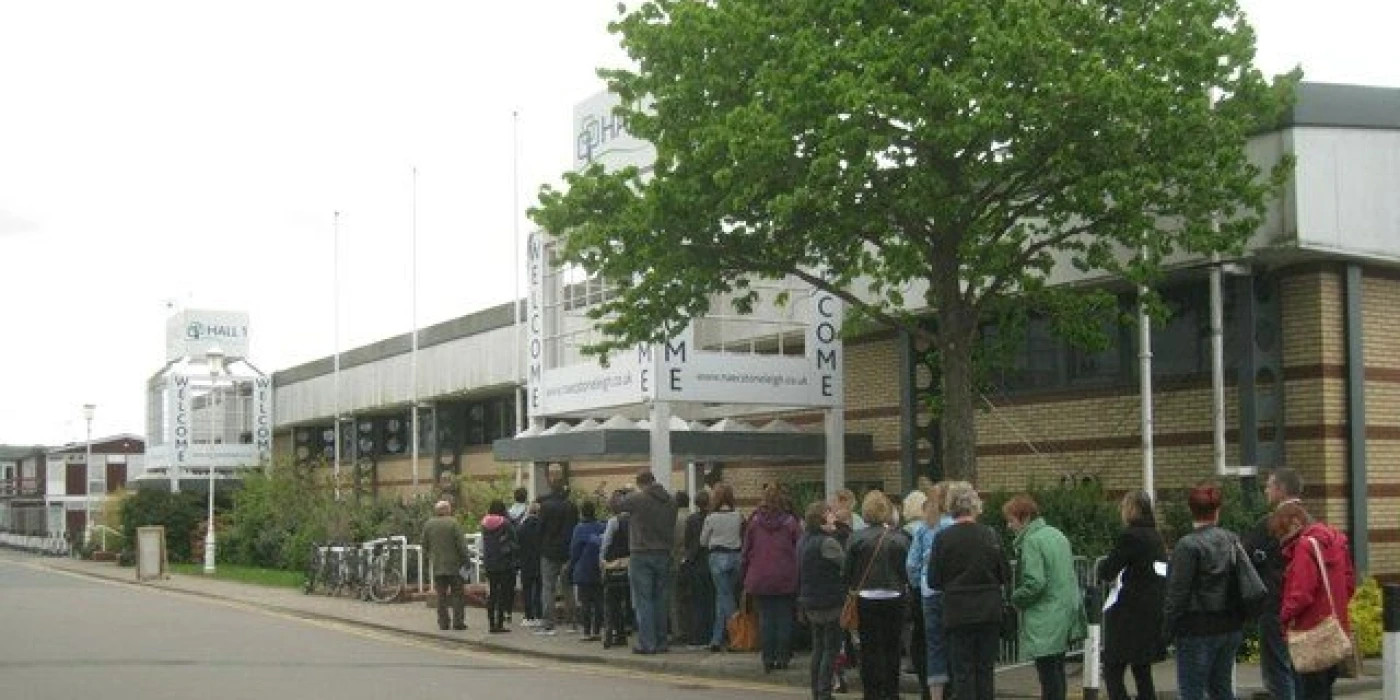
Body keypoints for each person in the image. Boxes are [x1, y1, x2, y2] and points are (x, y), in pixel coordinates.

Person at [1163, 481, 1250, 700]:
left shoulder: (1187, 545)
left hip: (1197, 627)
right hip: (1229, 624)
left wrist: (1166, 630)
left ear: (1191, 510)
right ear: (1217, 511)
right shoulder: (1231, 539)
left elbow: (1177, 593)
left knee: (1191, 690)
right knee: (1222, 688)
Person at [930, 481, 1010, 700]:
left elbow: (934, 580)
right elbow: (1005, 575)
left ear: (950, 507)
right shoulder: (990, 535)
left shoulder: (942, 538)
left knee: (962, 671)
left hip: (957, 611)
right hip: (988, 611)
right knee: (985, 670)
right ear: (975, 507)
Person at [1005, 494, 1086, 700]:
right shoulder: (1057, 535)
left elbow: (1035, 582)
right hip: (1064, 611)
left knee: (1047, 674)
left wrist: (1016, 598)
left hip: (1044, 616)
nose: (1009, 525)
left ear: (1024, 519)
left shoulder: (1032, 542)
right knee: (1057, 670)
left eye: (1011, 520)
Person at [1272, 502, 1356, 700]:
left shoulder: (1305, 545)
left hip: (1310, 632)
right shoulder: (1336, 541)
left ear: (1294, 524)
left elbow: (1301, 593)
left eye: (1280, 533)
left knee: (1309, 691)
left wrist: (1284, 617)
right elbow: (1349, 584)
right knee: (1325, 689)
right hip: (1334, 628)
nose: (1281, 539)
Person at [1097, 490, 1168, 700]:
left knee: (1112, 668)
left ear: (1132, 509)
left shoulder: (1130, 536)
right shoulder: (1156, 537)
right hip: (1152, 610)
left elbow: (1108, 570)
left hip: (1130, 613)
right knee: (1141, 669)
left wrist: (1105, 568)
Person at [844, 490, 912, 700]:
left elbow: (847, 572)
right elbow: (906, 571)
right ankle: (892, 693)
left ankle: (872, 693)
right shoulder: (900, 538)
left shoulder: (856, 538)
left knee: (869, 649)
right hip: (894, 596)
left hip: (866, 597)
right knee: (892, 647)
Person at [1245, 467, 1304, 700]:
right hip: (1301, 603)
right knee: (1298, 666)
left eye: (1269, 485)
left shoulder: (1270, 524)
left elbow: (1245, 556)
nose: (1266, 490)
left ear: (1280, 490)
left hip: (1274, 603)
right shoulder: (1310, 521)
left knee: (1276, 669)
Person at [617, 469, 679, 654]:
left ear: (640, 483)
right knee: (661, 600)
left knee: (644, 600)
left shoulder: (638, 499)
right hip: (664, 553)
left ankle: (647, 643)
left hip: (641, 553)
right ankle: (661, 642)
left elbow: (616, 505)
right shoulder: (671, 501)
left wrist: (621, 492)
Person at [744, 484, 802, 672]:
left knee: (766, 618)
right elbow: (799, 549)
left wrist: (745, 572)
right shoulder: (791, 523)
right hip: (786, 576)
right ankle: (782, 658)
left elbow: (746, 550)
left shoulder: (753, 522)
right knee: (784, 617)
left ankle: (767, 658)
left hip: (760, 576)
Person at [908, 482, 953, 700]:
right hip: (953, 590)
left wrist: (918, 583)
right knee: (955, 641)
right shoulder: (954, 525)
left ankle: (935, 695)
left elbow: (911, 565)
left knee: (934, 645)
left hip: (929, 591)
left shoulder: (924, 528)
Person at [799, 501, 846, 700]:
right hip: (830, 600)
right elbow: (845, 564)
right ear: (821, 519)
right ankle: (824, 690)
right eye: (829, 513)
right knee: (831, 648)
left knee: (818, 647)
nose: (833, 516)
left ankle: (816, 691)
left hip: (810, 600)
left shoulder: (804, 540)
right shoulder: (828, 542)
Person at [701, 482, 743, 651]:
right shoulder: (738, 515)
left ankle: (737, 636)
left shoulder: (711, 518)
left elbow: (703, 541)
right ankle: (716, 639)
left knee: (725, 597)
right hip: (736, 556)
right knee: (723, 596)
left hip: (717, 556)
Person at [536, 476, 579, 635]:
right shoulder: (572, 506)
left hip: (548, 551)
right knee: (568, 587)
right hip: (567, 551)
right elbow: (576, 527)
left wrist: (541, 545)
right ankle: (573, 622)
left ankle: (548, 624)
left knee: (548, 587)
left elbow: (540, 529)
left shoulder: (545, 507)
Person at [901, 489, 932, 700]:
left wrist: (913, 585)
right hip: (932, 590)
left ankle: (924, 684)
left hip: (915, 591)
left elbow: (909, 566)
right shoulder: (932, 529)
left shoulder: (904, 534)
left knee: (918, 637)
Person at [421, 500, 470, 631]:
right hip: (454, 566)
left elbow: (424, 545)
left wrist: (430, 559)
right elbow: (462, 545)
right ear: (447, 510)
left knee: (441, 596)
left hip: (438, 566)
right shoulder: (453, 523)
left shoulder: (428, 525)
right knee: (457, 595)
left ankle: (443, 623)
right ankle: (458, 622)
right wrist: (467, 561)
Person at [480, 499, 519, 633]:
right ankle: (499, 623)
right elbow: (514, 541)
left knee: (492, 593)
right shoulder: (506, 523)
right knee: (502, 594)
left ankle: (491, 624)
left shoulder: (484, 523)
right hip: (504, 562)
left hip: (490, 562)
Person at [569, 499, 606, 642]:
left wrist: (571, 566)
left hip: (583, 569)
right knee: (598, 602)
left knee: (585, 602)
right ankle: (597, 631)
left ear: (582, 513)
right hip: (598, 567)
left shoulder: (579, 528)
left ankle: (586, 632)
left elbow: (574, 550)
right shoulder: (602, 527)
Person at [601, 489, 634, 648]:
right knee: (628, 600)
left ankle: (609, 634)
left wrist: (602, 561)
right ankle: (625, 631)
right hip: (632, 564)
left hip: (615, 566)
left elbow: (606, 544)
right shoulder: (634, 520)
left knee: (611, 601)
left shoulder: (614, 522)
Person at [683, 489, 716, 648]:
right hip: (710, 561)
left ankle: (697, 636)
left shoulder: (691, 520)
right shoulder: (712, 519)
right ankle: (712, 634)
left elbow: (688, 542)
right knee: (711, 600)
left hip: (695, 563)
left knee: (697, 602)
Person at [516, 502, 543, 627]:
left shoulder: (521, 528)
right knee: (539, 590)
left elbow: (517, 545)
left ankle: (528, 616)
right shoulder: (542, 527)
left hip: (526, 562)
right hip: (540, 562)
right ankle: (539, 615)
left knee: (527, 590)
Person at [671, 490, 692, 645]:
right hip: (692, 562)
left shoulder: (674, 520)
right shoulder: (692, 516)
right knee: (690, 599)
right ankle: (690, 628)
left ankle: (679, 632)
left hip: (676, 562)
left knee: (675, 599)